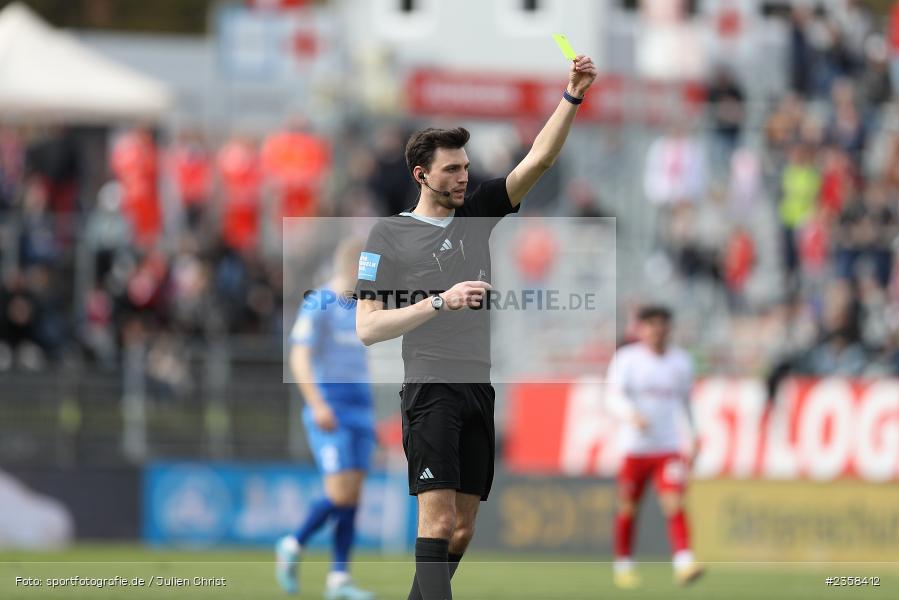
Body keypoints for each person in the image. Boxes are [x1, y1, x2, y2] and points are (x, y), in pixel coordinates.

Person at [355, 55, 597, 600]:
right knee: (437, 522)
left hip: (477, 387)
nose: (464, 177)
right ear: (422, 175)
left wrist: (572, 96)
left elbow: (537, 161)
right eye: (452, 170)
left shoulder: (477, 211)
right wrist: (440, 302)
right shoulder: (388, 237)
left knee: (463, 528)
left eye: (466, 168)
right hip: (431, 386)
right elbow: (367, 328)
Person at [276, 238, 376, 600]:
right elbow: (299, 358)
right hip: (330, 406)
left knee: (353, 496)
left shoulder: (364, 305)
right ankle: (292, 543)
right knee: (340, 492)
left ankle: (339, 580)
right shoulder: (320, 302)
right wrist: (317, 404)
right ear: (351, 268)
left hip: (361, 407)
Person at [604, 306, 704, 589]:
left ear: (669, 328)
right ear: (642, 328)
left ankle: (684, 563)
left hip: (667, 446)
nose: (656, 330)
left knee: (674, 502)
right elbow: (611, 397)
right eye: (651, 324)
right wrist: (630, 415)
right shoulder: (626, 359)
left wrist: (694, 435)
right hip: (634, 448)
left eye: (661, 324)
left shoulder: (681, 362)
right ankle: (624, 565)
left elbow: (687, 403)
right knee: (628, 508)